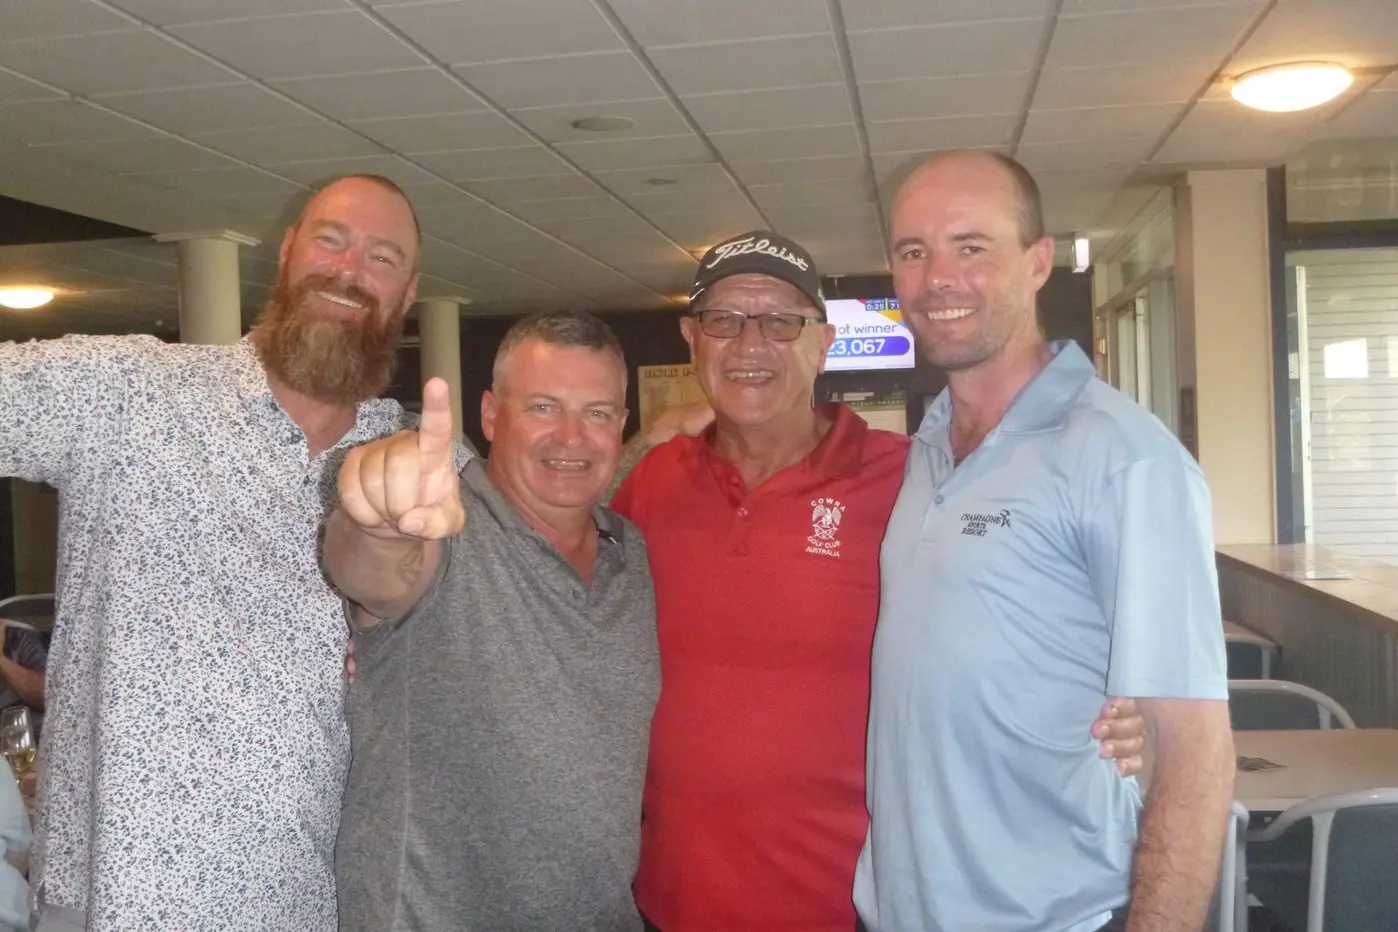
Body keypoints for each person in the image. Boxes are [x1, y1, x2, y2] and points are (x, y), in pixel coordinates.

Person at [609, 232, 1146, 931]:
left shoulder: (913, 477)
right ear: (692, 339)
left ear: (823, 342)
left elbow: (1032, 595)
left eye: (781, 321)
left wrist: (1121, 693)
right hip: (671, 898)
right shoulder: (650, 483)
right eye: (724, 320)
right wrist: (645, 441)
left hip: (857, 902)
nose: (750, 344)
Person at [0, 173, 464, 930]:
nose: (350, 270)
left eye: (382, 258)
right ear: (286, 252)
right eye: (331, 240)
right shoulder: (127, 392)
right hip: (115, 903)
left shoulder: (416, 459)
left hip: (309, 904)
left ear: (407, 295)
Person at [853, 151, 1235, 932]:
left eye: (971, 246)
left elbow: (1196, 757)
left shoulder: (1126, 459)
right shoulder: (926, 447)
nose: (937, 279)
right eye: (913, 252)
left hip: (1054, 916)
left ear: (1037, 262)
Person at [327, 311, 658, 932]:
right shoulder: (447, 533)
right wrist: (377, 520)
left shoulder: (629, 552)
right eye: (542, 407)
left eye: (595, 413)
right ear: (489, 416)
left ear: (620, 423)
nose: (571, 438)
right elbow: (374, 573)